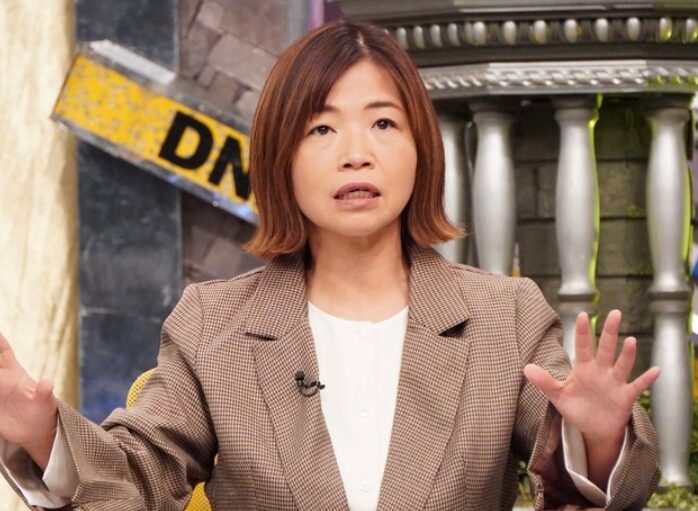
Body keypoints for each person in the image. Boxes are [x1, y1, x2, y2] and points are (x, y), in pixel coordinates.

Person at [0, 20, 660, 511]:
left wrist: (598, 441)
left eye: (383, 124)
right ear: (280, 158)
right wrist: (44, 434)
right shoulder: (214, 324)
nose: (355, 153)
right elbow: (138, 475)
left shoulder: (503, 315)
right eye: (321, 128)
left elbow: (586, 479)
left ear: (421, 150)